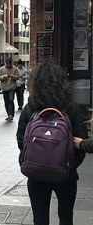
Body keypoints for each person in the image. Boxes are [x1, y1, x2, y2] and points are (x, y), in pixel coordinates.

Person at [16, 62, 88, 225]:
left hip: (36, 174)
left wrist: (32, 160)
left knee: (40, 219)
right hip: (65, 175)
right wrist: (70, 165)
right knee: (65, 216)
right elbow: (81, 141)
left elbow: (21, 140)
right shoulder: (71, 108)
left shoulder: (30, 108)